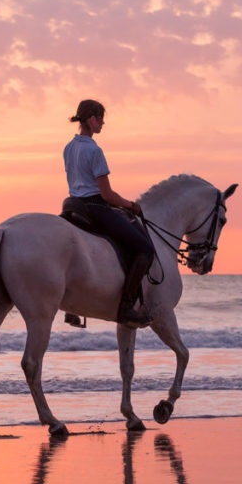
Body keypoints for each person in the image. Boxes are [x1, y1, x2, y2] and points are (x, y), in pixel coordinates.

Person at [63, 99, 154, 328]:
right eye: (101, 119)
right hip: (95, 207)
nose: (103, 124)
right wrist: (131, 205)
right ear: (92, 119)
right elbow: (107, 195)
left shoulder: (69, 147)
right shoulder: (94, 150)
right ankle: (126, 307)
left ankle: (69, 310)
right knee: (144, 248)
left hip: (73, 205)